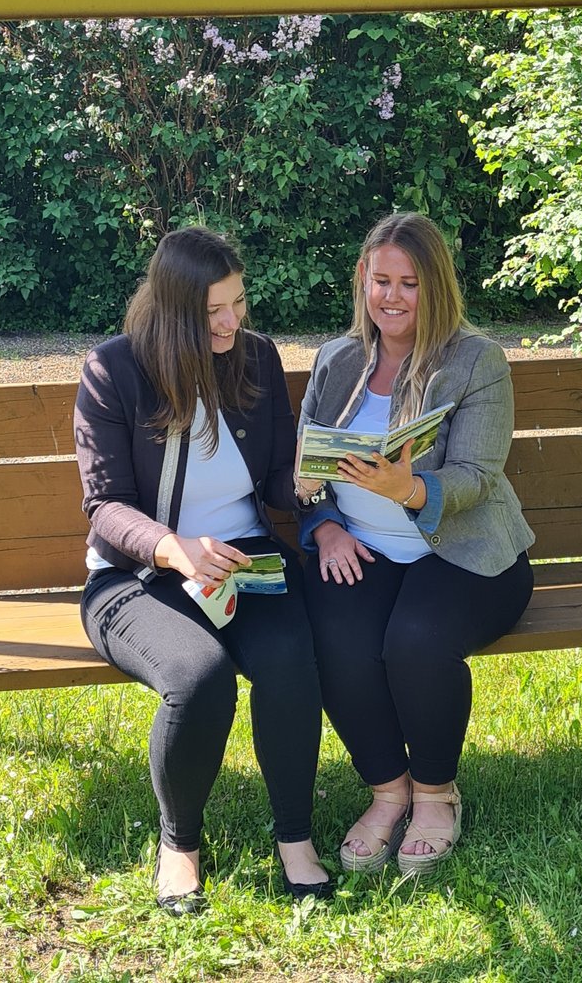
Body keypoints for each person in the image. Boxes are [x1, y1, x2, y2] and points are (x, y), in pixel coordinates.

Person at [75, 226, 330, 916]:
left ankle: (295, 836)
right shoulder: (114, 370)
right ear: (172, 311)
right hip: (136, 578)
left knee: (289, 659)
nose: (230, 322)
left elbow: (274, 482)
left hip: (243, 562)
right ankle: (180, 845)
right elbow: (105, 505)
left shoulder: (256, 357)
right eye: (212, 311)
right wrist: (173, 547)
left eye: (238, 303)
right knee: (199, 677)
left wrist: (306, 483)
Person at [295, 213, 535, 876]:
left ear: (436, 285)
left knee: (416, 641)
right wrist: (326, 523)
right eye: (382, 281)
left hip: (464, 552)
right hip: (361, 546)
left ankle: (434, 795)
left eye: (410, 283)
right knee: (335, 639)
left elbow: (477, 476)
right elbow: (305, 468)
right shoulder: (338, 359)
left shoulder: (476, 360)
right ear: (363, 280)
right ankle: (387, 790)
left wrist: (410, 488)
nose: (393, 297)